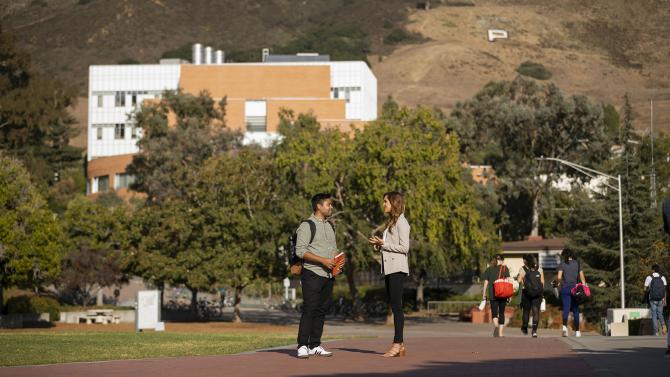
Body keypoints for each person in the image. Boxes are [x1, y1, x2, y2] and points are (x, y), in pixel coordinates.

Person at [295, 193, 344, 359]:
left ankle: (315, 345)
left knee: (322, 310)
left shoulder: (330, 226)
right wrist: (323, 260)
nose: (331, 207)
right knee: (310, 308)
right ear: (318, 206)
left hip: (329, 275)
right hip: (312, 273)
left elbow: (334, 249)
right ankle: (302, 345)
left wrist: (338, 263)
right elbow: (300, 251)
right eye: (328, 204)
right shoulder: (307, 226)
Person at [369, 192, 410, 358]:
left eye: (385, 201)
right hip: (389, 268)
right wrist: (380, 245)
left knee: (397, 308)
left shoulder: (402, 222)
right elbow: (391, 246)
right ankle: (400, 345)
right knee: (395, 307)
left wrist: (384, 244)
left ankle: (397, 343)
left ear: (394, 203)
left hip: (397, 269)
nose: (383, 204)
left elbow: (404, 247)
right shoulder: (392, 222)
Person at [557, 248, 587, 337]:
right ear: (572, 255)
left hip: (565, 289)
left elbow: (559, 277)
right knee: (575, 309)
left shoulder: (562, 264)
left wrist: (556, 284)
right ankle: (577, 331)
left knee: (566, 308)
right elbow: (582, 276)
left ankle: (565, 328)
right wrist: (585, 286)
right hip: (575, 289)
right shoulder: (577, 263)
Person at [482, 254, 510, 337]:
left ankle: (496, 326)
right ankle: (501, 333)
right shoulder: (505, 268)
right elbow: (508, 281)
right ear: (502, 260)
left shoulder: (489, 269)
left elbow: (486, 282)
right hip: (503, 294)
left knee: (494, 313)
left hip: (493, 294)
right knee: (501, 313)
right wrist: (510, 295)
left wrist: (484, 294)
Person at [517, 254, 544, 338]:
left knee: (526, 311)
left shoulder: (523, 269)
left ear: (526, 261)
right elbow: (542, 282)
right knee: (536, 311)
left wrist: (522, 279)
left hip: (527, 293)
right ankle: (534, 331)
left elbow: (519, 280)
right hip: (538, 293)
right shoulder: (539, 268)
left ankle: (525, 327)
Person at [644, 264, 667, 337]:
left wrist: (649, 290)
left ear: (653, 270)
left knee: (654, 315)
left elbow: (645, 289)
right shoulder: (662, 277)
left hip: (652, 299)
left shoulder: (649, 277)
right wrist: (665, 300)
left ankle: (656, 332)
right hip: (661, 298)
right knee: (660, 313)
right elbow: (665, 290)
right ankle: (664, 326)